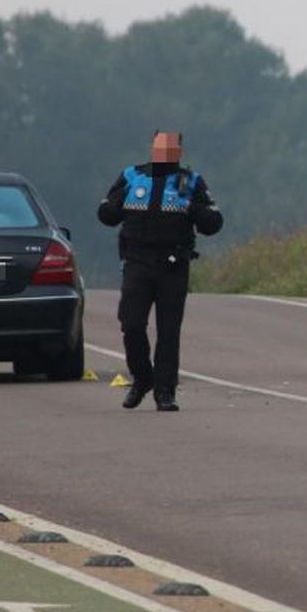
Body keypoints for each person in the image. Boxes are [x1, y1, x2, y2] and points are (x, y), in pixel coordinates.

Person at [97, 130, 223, 412]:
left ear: (179, 151)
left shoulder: (189, 181)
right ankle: (143, 379)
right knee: (131, 324)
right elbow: (106, 214)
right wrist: (115, 204)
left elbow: (214, 223)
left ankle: (165, 391)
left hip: (173, 266)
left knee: (168, 331)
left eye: (171, 148)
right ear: (152, 148)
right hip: (137, 263)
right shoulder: (132, 176)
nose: (164, 152)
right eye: (160, 146)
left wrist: (189, 206)